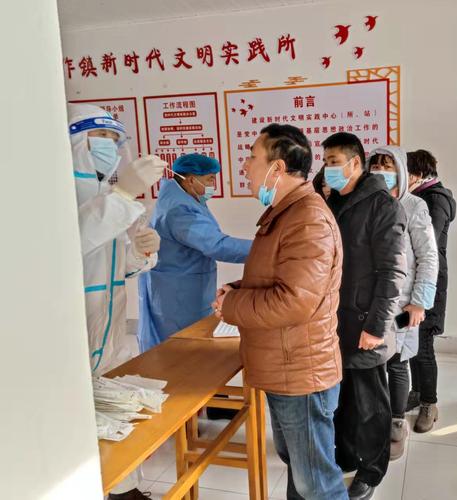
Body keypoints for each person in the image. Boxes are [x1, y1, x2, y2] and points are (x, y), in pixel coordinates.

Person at [212, 124, 347, 500]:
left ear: (278, 167)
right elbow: (277, 277)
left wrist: (232, 305)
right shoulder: (286, 212)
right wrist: (237, 290)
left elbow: (294, 301)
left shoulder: (307, 218)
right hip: (286, 365)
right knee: (301, 471)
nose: (244, 166)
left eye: (252, 156)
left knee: (316, 482)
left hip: (300, 371)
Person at [68, 103, 166, 500]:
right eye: (100, 137)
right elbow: (68, 246)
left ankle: (126, 489)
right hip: (71, 329)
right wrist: (124, 194)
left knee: (112, 415)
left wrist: (140, 253)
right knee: (77, 422)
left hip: (108, 326)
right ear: (76, 142)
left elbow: (114, 266)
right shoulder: (57, 192)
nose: (108, 145)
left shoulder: (108, 193)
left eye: (114, 138)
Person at [323, 132, 407, 500]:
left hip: (365, 323)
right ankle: (344, 458)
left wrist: (376, 327)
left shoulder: (382, 205)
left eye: (334, 162)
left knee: (370, 406)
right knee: (341, 399)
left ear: (355, 163)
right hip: (334, 320)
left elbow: (393, 272)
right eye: (326, 162)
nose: (328, 169)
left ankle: (371, 472)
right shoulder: (332, 200)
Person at [137, 153, 252, 353]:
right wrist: (265, 248)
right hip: (178, 292)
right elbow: (216, 245)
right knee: (183, 348)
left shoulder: (186, 197)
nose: (213, 185)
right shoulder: (179, 209)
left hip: (183, 283)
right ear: (190, 180)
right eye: (210, 179)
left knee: (192, 344)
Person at [367, 147, 438, 460]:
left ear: (399, 170)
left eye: (387, 166)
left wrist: (419, 302)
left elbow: (428, 256)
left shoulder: (414, 205)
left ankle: (397, 420)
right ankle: (374, 417)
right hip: (371, 301)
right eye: (375, 166)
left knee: (397, 361)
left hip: (404, 303)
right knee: (372, 362)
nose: (380, 172)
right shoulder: (365, 203)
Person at [405, 149, 457, 432]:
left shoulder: (434, 200)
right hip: (414, 281)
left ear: (419, 174)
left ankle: (429, 403)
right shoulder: (421, 196)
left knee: (423, 345)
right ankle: (417, 392)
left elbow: (426, 244)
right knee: (412, 342)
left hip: (428, 282)